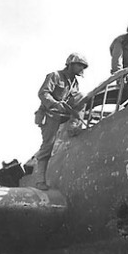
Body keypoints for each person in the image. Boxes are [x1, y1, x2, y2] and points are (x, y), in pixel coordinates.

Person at [34, 53, 88, 190]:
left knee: (82, 98)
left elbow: (76, 99)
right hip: (50, 114)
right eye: (79, 65)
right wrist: (55, 104)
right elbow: (43, 93)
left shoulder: (75, 82)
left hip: (62, 114)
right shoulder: (55, 76)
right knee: (48, 146)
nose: (81, 68)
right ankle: (40, 180)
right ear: (71, 64)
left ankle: (74, 127)